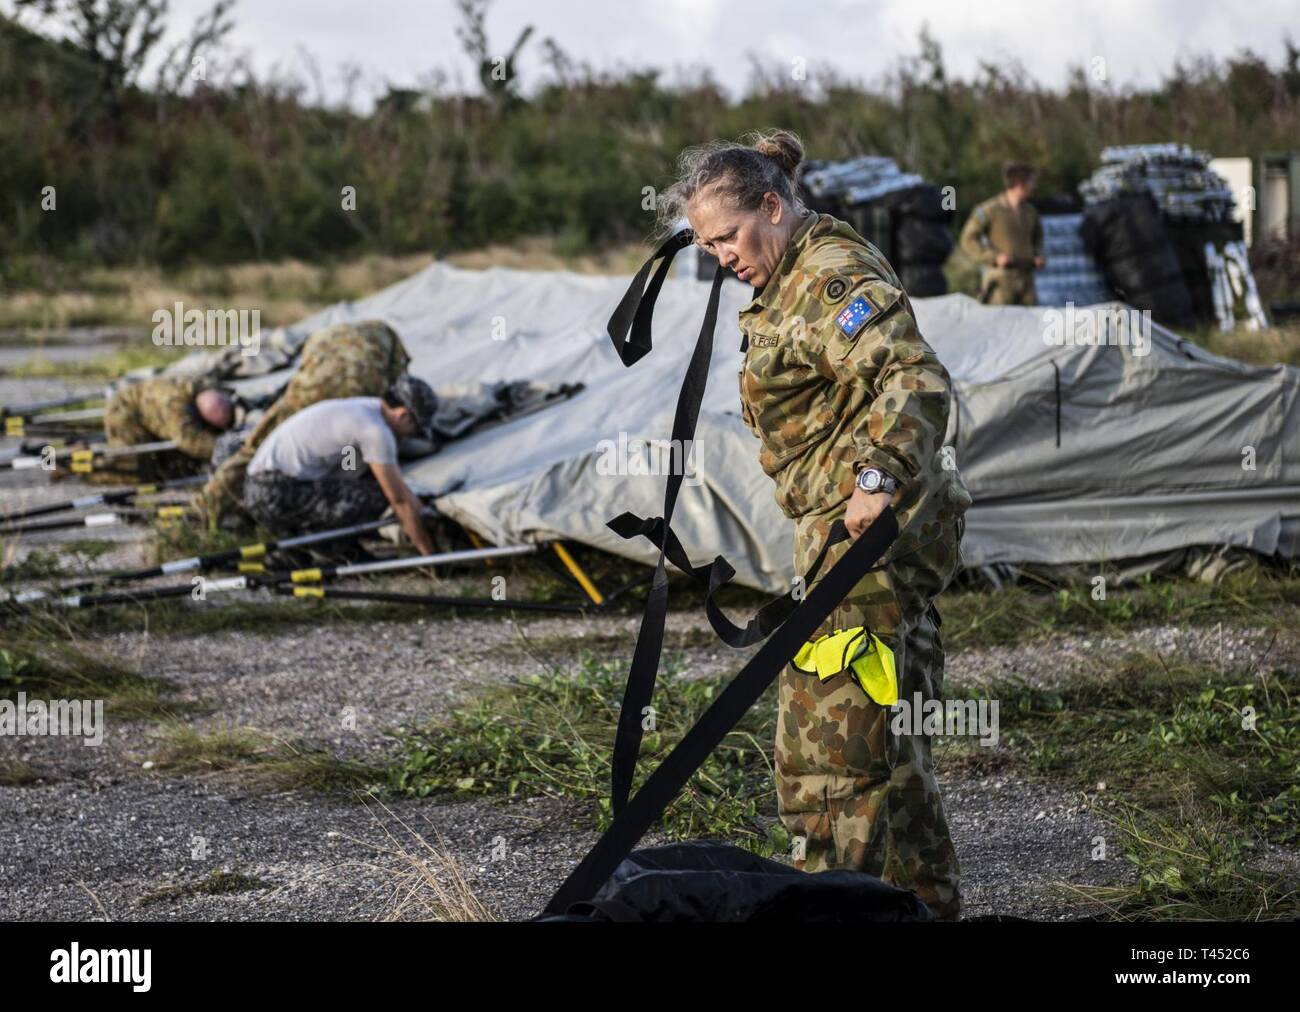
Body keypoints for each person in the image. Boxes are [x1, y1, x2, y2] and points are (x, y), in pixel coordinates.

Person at [663, 129, 972, 920]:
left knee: (830, 764)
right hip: (853, 538)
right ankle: (920, 911)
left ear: (773, 205)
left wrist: (877, 476)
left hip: (866, 539)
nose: (721, 257)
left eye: (728, 237)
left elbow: (915, 375)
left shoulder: (829, 277)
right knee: (891, 756)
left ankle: (842, 911)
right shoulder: (786, 275)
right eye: (707, 245)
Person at [195, 319, 413, 525]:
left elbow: (305, 362)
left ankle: (206, 507)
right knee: (350, 447)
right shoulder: (389, 339)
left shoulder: (328, 334)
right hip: (356, 392)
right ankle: (338, 490)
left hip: (310, 385)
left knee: (254, 445)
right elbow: (400, 386)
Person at [241, 376, 437, 555]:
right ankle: (324, 545)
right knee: (377, 499)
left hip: (262, 484)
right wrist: (429, 553)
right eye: (416, 428)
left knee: (358, 489)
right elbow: (399, 500)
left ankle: (327, 546)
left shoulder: (366, 408)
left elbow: (346, 466)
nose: (411, 435)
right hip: (273, 491)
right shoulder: (375, 432)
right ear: (403, 415)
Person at [101, 376, 235, 480]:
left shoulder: (198, 389)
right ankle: (89, 468)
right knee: (131, 471)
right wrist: (224, 449)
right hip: (123, 415)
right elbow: (189, 440)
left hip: (145, 412)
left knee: (178, 466)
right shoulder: (175, 406)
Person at [959, 161, 1045, 306]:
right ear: (1020, 184)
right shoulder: (989, 209)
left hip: (1027, 282)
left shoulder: (1031, 212)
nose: (1034, 187)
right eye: (1031, 182)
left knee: (1032, 326)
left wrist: (1037, 254)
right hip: (1000, 282)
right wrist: (993, 257)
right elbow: (968, 239)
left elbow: (1038, 238)